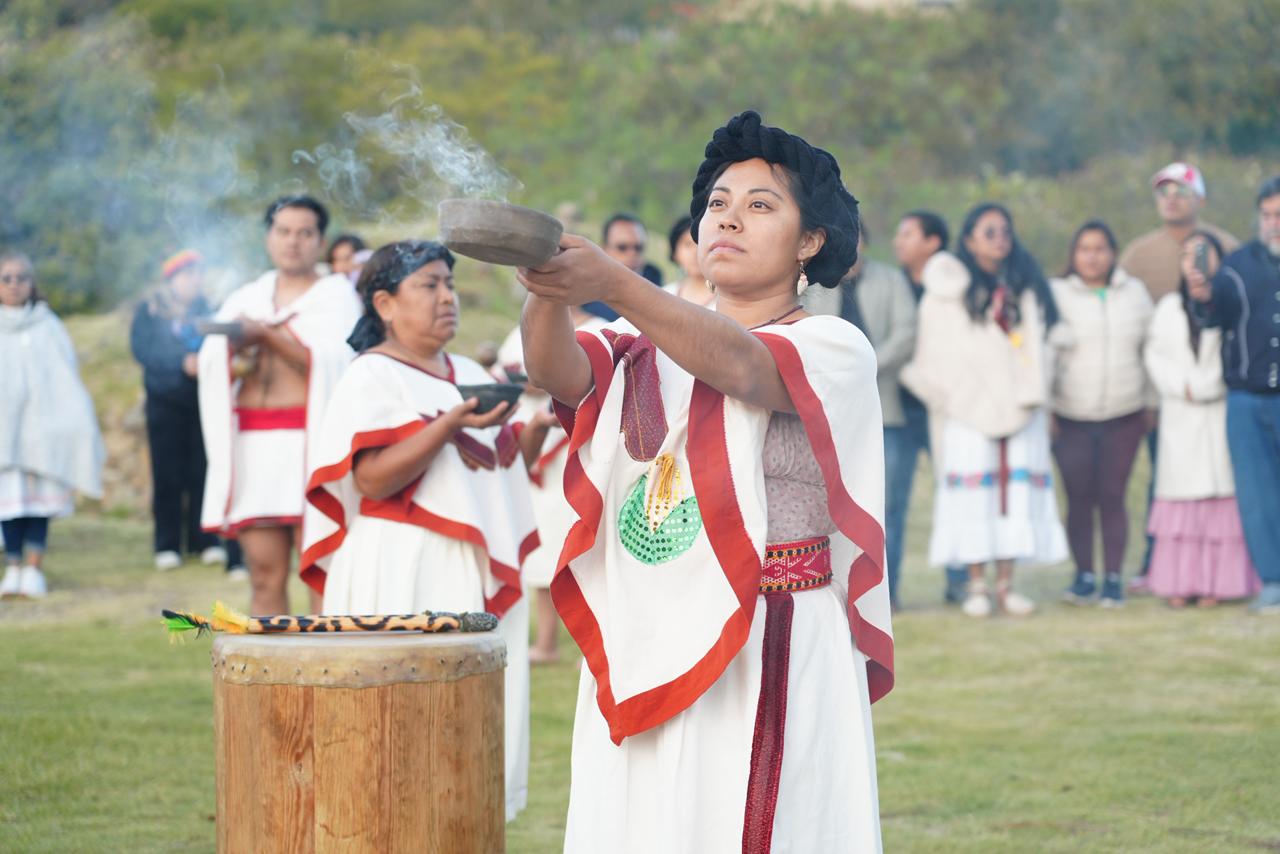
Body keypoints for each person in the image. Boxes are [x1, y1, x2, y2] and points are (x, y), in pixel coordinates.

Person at [518, 111, 892, 852]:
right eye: (718, 203)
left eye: (760, 206)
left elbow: (742, 368)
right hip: (651, 623)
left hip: (772, 634)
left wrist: (615, 282)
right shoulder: (639, 348)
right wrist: (547, 282)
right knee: (646, 821)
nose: (728, 219)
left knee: (759, 822)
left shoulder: (830, 343)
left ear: (810, 242)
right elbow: (552, 370)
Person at [300, 241, 537, 820]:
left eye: (449, 285)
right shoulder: (372, 376)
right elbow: (373, 481)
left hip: (468, 564)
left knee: (465, 725)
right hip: (397, 558)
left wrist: (536, 430)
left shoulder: (473, 373)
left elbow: (495, 478)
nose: (447, 297)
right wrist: (451, 421)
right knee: (394, 729)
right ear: (385, 302)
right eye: (429, 285)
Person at [901, 203, 1068, 618]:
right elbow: (935, 352)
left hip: (1020, 404)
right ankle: (975, 584)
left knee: (1012, 495)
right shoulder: (946, 293)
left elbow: (1038, 348)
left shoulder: (1023, 288)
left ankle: (1007, 586)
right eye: (989, 231)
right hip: (967, 409)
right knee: (974, 497)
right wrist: (956, 396)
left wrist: (1033, 394)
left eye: (1005, 231)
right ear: (970, 238)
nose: (999, 238)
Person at [198, 196, 362, 615]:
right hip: (253, 444)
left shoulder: (337, 297)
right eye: (283, 231)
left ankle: (331, 674)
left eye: (304, 233)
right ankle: (271, 678)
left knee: (324, 568)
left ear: (319, 240)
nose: (293, 242)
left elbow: (337, 361)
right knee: (263, 573)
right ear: (269, 237)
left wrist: (267, 336)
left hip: (312, 444)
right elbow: (213, 363)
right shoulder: (245, 298)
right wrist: (235, 357)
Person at [1119, 163, 1239, 592]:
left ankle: (1220, 572)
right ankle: (1159, 564)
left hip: (1217, 391)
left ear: (1200, 199)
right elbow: (1137, 336)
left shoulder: (1226, 245)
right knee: (1164, 481)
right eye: (1164, 190)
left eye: (1182, 190)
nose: (1172, 197)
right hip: (1163, 393)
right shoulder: (1137, 255)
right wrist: (1154, 393)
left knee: (1222, 484)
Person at [1145, 231, 1261, 607]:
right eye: (1188, 255)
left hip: (1216, 411)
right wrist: (1183, 386)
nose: (1195, 263)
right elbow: (1154, 356)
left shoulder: (1230, 305)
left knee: (1218, 502)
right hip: (1180, 411)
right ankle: (1180, 582)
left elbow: (1237, 352)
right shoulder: (1166, 308)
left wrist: (1207, 386)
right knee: (1182, 506)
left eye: (1203, 254)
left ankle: (1218, 583)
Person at [804, 228, 917, 609]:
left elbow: (906, 333)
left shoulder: (892, 279)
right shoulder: (814, 283)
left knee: (889, 507)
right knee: (831, 507)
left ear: (864, 242)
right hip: (831, 415)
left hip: (887, 409)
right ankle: (841, 591)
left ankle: (889, 592)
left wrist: (865, 365)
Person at [496, 304, 612, 664]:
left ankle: (593, 646)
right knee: (543, 553)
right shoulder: (523, 326)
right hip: (532, 444)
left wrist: (544, 377)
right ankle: (545, 643)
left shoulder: (604, 328)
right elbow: (504, 373)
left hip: (577, 444)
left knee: (586, 551)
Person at [1049, 221, 1155, 608]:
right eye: (1084, 249)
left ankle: (1112, 578)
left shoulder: (1135, 294)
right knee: (1078, 497)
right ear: (1073, 255)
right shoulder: (1056, 294)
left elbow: (1151, 349)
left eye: (1100, 249)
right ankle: (1083, 576)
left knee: (1113, 495)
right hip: (1071, 414)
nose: (1092, 256)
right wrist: (1047, 408)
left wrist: (1150, 403)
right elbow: (1046, 353)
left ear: (1113, 253)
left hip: (1124, 413)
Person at [1187, 175, 1280, 614]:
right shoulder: (1237, 266)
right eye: (1268, 215)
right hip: (1247, 399)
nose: (1274, 223)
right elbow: (1213, 314)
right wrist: (1202, 294)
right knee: (1257, 494)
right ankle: (1272, 580)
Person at [0, 252, 104, 599]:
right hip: (5, 435)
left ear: (32, 283)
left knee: (37, 504)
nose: (14, 285)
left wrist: (73, 420)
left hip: (42, 434)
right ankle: (12, 566)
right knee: (9, 504)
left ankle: (34, 567)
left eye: (21, 278)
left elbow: (64, 379)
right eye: (6, 278)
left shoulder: (48, 325)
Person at [130, 250, 229, 572]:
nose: (195, 281)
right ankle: (167, 544)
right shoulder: (151, 310)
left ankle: (204, 540)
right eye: (188, 275)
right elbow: (142, 350)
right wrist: (179, 364)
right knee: (167, 474)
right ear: (172, 279)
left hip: (201, 400)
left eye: (199, 274)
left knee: (202, 469)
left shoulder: (207, 310)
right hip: (164, 402)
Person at [892, 210, 969, 603]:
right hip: (900, 407)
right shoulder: (894, 284)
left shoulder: (956, 289)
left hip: (945, 406)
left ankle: (961, 582)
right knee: (893, 503)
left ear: (933, 242)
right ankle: (888, 593)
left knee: (956, 492)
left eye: (907, 234)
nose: (898, 241)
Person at [663, 214, 713, 306]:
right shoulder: (664, 295)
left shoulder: (730, 300)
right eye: (688, 244)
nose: (695, 252)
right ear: (675, 252)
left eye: (701, 243)